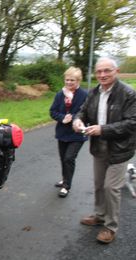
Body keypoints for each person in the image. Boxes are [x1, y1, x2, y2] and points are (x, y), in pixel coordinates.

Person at [73, 57, 136, 244]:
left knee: (111, 188)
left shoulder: (128, 94)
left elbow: (132, 123)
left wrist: (103, 129)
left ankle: (110, 227)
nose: (102, 75)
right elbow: (82, 111)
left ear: (116, 71)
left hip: (120, 149)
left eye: (107, 70)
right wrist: (78, 120)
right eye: (99, 71)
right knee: (99, 185)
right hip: (98, 146)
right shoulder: (94, 92)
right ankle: (99, 216)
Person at [49, 66, 88, 198]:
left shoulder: (84, 95)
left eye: (72, 80)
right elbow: (52, 111)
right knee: (63, 158)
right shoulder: (60, 94)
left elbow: (87, 112)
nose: (69, 82)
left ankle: (66, 186)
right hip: (62, 132)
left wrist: (77, 119)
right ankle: (65, 179)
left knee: (69, 158)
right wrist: (62, 118)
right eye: (67, 80)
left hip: (77, 133)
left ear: (78, 81)